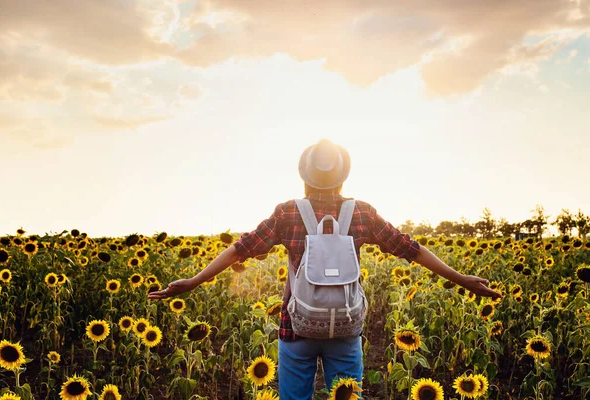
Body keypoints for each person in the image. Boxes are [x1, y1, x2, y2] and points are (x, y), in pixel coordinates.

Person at [148, 138, 502, 399]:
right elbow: (411, 249)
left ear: (304, 176)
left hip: (296, 328)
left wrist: (193, 281)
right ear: (342, 178)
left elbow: (238, 250)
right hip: (345, 326)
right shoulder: (360, 212)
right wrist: (462, 279)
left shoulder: (288, 212)